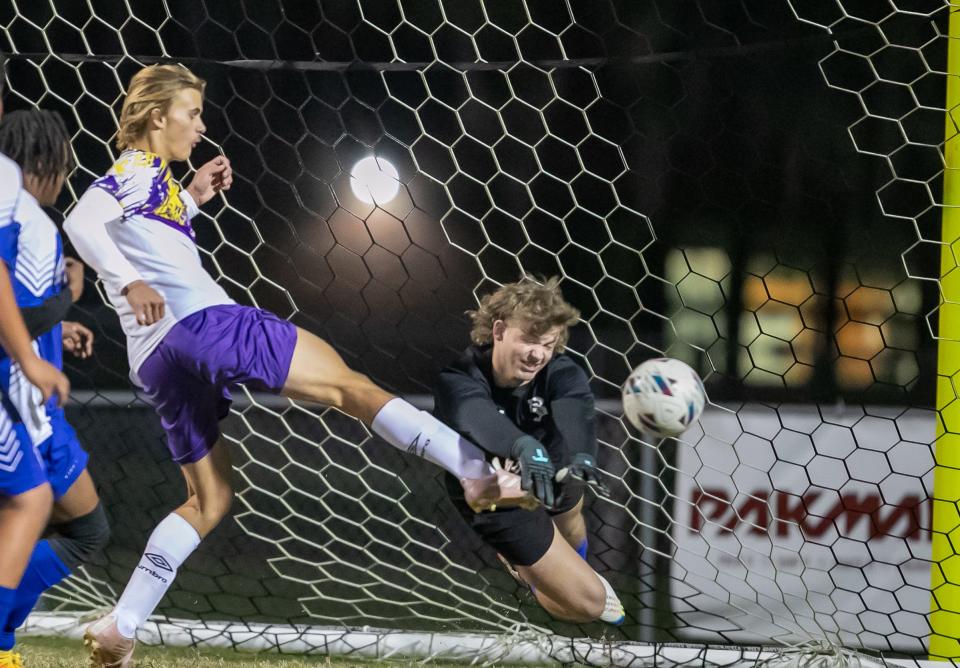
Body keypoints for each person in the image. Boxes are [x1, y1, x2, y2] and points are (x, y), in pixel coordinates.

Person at [62, 64, 535, 667]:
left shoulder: (155, 183)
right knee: (350, 386)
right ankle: (477, 473)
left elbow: (149, 238)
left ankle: (122, 625)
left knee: (207, 500)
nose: (200, 128)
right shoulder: (135, 170)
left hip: (155, 360)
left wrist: (194, 200)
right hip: (207, 327)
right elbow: (83, 220)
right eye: (191, 114)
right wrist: (128, 282)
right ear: (157, 117)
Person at [434, 277, 625, 625]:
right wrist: (523, 445)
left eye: (548, 345)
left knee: (569, 512)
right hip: (495, 492)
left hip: (553, 472)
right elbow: (474, 414)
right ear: (499, 330)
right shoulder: (459, 376)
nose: (538, 354)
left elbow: (575, 405)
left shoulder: (560, 371)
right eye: (530, 340)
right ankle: (536, 576)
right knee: (586, 604)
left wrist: (583, 454)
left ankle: (562, 566)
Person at [0, 109, 111, 661]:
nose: (66, 177)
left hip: (32, 400)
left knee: (72, 525)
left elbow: (17, 313)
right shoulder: (27, 220)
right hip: (18, 402)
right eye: (62, 165)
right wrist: (68, 294)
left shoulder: (28, 220)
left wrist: (56, 327)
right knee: (63, 521)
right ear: (41, 162)